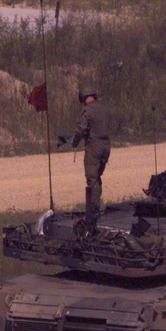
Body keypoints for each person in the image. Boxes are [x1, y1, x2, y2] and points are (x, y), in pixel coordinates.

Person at [68, 87, 111, 226]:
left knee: (92, 179)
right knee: (97, 177)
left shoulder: (87, 111)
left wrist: (74, 143)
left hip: (94, 146)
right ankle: (95, 206)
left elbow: (81, 129)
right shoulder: (104, 109)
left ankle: (93, 211)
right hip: (106, 146)